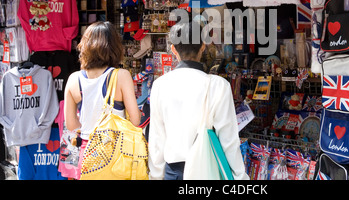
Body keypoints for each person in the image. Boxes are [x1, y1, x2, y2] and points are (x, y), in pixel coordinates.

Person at [148, 19, 249, 180]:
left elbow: (157, 140)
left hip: (173, 172)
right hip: (207, 170)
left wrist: (156, 176)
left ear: (173, 49)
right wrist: (239, 176)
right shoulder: (218, 85)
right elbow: (228, 139)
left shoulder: (160, 85)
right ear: (203, 46)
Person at [64, 21, 141, 179]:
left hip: (86, 153)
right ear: (114, 47)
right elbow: (135, 120)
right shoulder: (120, 75)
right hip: (115, 154)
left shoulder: (73, 79)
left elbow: (71, 125)